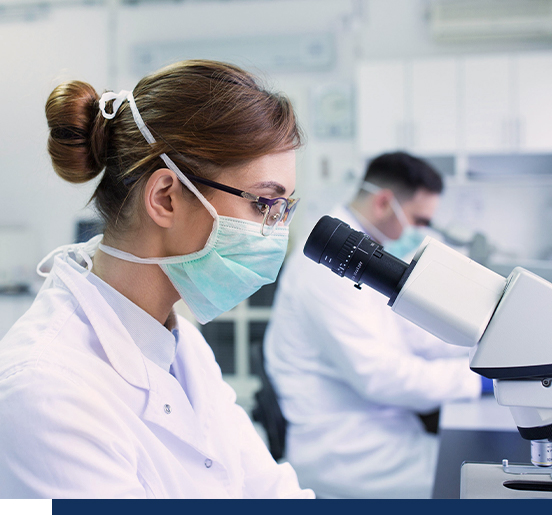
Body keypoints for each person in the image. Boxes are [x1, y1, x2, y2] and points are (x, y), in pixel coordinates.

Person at [0, 60, 315, 499]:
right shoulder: (46, 391)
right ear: (166, 198)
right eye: (264, 204)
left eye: (284, 209)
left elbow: (269, 491)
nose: (277, 232)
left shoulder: (181, 345)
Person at [264, 151, 484, 499]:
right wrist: (477, 381)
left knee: (481, 466)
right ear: (384, 202)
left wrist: (484, 347)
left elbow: (412, 334)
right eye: (420, 220)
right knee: (481, 481)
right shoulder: (330, 264)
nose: (422, 232)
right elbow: (379, 375)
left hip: (383, 431)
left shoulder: (366, 254)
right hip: (350, 452)